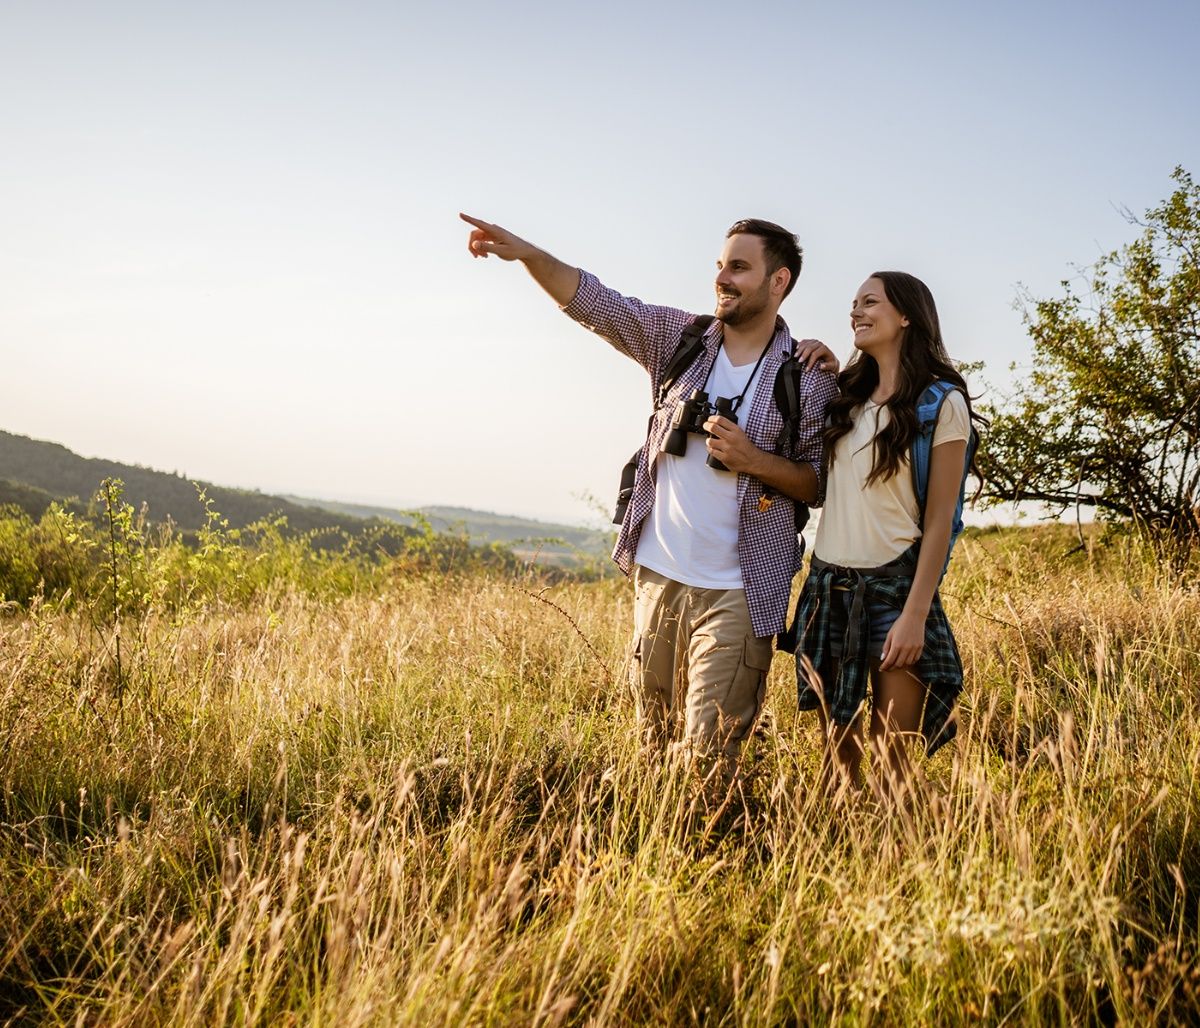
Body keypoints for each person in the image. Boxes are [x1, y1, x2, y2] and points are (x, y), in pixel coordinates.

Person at [461, 213, 838, 779]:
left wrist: (752, 460)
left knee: (709, 759)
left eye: (739, 267)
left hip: (739, 590)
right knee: (652, 746)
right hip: (657, 576)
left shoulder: (807, 375)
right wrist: (529, 255)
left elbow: (817, 483)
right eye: (720, 265)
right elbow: (597, 304)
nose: (722, 278)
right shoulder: (679, 340)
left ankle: (706, 833)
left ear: (778, 281)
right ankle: (657, 833)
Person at [794, 271, 982, 803]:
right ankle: (841, 850)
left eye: (870, 302)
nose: (856, 311)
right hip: (829, 588)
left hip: (895, 594)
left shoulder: (940, 404)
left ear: (905, 316)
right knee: (836, 759)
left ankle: (905, 850)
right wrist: (824, 364)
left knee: (890, 763)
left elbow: (942, 521)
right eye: (854, 303)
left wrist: (916, 615)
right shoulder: (845, 397)